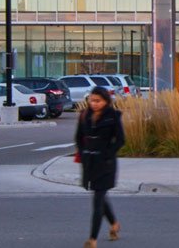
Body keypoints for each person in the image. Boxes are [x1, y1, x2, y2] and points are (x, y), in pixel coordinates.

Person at [74, 87, 125, 247]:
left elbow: (120, 140)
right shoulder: (84, 116)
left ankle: (92, 239)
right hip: (90, 162)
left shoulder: (113, 116)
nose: (94, 104)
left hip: (106, 163)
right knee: (100, 196)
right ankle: (115, 224)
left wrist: (108, 153)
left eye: (98, 101)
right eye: (92, 100)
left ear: (106, 101)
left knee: (97, 200)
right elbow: (78, 138)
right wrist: (83, 153)